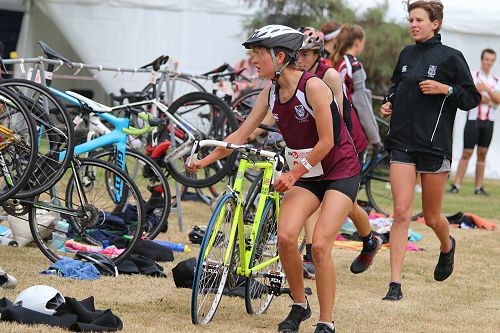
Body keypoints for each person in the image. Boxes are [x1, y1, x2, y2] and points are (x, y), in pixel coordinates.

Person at [187, 24, 361, 333]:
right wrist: (206, 160)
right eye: (252, 54)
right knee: (285, 237)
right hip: (307, 175)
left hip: (339, 171)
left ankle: (326, 322)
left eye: (258, 54)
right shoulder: (270, 92)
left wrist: (294, 172)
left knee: (319, 246)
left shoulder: (314, 87)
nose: (253, 60)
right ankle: (299, 305)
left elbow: (328, 142)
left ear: (279, 56)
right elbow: (241, 134)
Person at [379, 0, 481, 301]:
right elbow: (398, 86)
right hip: (402, 143)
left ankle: (447, 244)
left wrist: (445, 89)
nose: (413, 24)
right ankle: (395, 285)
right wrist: (389, 101)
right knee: (400, 213)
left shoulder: (451, 57)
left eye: (419, 19)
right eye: (410, 19)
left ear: (435, 23)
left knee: (433, 217)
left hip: (434, 146)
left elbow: (471, 98)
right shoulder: (407, 54)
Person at [296, 27, 382, 279]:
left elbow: (341, 118)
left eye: (305, 54)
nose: (300, 59)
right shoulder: (295, 75)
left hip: (347, 142)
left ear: (317, 54)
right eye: (296, 53)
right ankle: (310, 256)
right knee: (312, 195)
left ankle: (369, 240)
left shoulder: (329, 75)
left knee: (348, 205)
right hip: (319, 143)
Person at [449, 48, 500, 196]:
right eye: (486, 59)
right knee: (467, 152)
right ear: (482, 59)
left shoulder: (495, 79)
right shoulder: (472, 74)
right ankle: (457, 184)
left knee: (482, 154)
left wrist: (486, 90)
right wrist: (488, 99)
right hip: (472, 120)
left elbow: (498, 100)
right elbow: (472, 95)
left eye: (491, 60)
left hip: (488, 121)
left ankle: (478, 187)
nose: (488, 63)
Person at [332, 24, 383, 150]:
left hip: (335, 123)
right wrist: (375, 139)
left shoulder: (337, 61)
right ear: (358, 42)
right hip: (351, 127)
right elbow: (362, 103)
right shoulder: (354, 65)